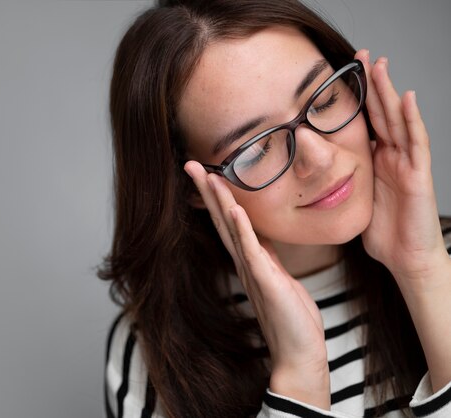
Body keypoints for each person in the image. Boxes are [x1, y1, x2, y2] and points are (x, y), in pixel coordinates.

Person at [99, 0, 451, 416]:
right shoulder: (153, 357)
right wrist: (299, 374)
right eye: (257, 147)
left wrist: (423, 273)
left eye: (323, 99)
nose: (318, 158)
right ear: (191, 188)